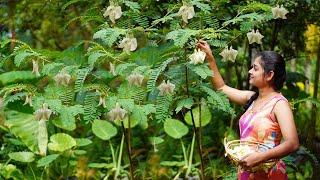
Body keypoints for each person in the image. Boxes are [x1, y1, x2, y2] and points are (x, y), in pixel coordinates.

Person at [197, 40, 299, 179]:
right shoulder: (251, 97)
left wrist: (260, 157)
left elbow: (292, 143)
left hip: (269, 174)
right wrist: (209, 58)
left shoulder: (279, 104)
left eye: (255, 68)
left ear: (269, 75)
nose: (250, 71)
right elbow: (221, 88)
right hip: (247, 172)